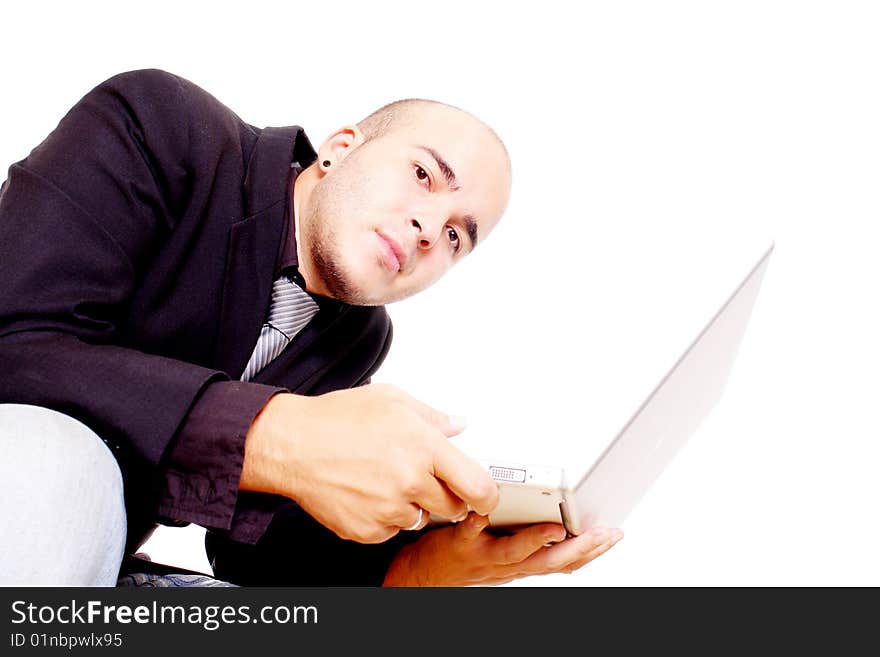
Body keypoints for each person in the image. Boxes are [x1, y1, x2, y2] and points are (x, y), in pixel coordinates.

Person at [0, 69, 623, 586]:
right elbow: (13, 346)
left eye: (458, 235)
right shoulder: (162, 124)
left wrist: (416, 568)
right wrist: (278, 434)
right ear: (342, 146)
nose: (431, 229)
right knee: (60, 458)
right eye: (424, 175)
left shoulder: (358, 338)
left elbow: (252, 549)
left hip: (77, 578)